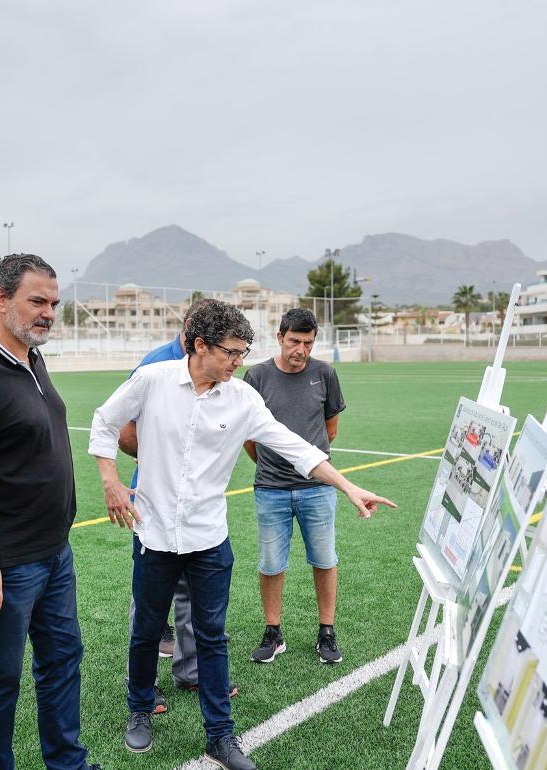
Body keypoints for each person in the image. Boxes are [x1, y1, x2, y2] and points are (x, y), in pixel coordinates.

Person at [89, 300, 395, 770]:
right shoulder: (153, 381)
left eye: (242, 351)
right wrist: (111, 481)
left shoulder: (244, 399)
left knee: (212, 637)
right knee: (146, 630)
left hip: (209, 540)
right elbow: (105, 420)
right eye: (230, 352)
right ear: (199, 346)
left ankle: (220, 736)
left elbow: (296, 448)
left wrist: (348, 486)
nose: (238, 361)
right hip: (153, 535)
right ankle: (139, 709)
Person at [0, 254, 99, 770]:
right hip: (5, 561)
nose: (49, 312)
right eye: (37, 301)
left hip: (53, 551)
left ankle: (67, 764)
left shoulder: (31, 356)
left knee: (61, 661)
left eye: (54, 302)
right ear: (1, 298)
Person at [117, 298, 239, 714]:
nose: (233, 359)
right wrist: (158, 460)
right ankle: (144, 687)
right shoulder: (155, 367)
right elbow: (122, 430)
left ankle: (191, 671)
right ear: (194, 333)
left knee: (191, 599)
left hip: (198, 515)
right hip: (153, 508)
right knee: (149, 607)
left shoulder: (221, 374)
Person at [243, 308, 348, 665]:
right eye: (294, 342)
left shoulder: (325, 374)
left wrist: (313, 468)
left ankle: (327, 632)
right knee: (271, 563)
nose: (300, 349)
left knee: (324, 559)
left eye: (307, 342)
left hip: (317, 488)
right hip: (270, 489)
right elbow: (249, 437)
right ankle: (273, 632)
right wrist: (271, 466)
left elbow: (330, 428)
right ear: (279, 337)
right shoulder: (256, 376)